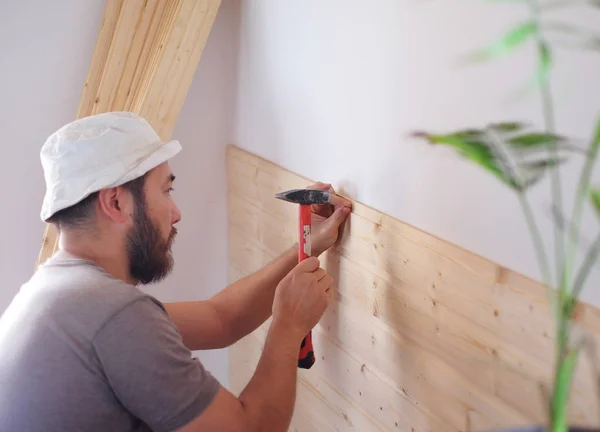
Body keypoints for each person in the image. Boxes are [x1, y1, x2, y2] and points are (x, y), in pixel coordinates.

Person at [0, 111, 352, 431]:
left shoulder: (57, 294)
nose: (176, 212)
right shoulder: (111, 314)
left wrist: (307, 247)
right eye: (166, 191)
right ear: (116, 202)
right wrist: (288, 327)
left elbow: (221, 319)